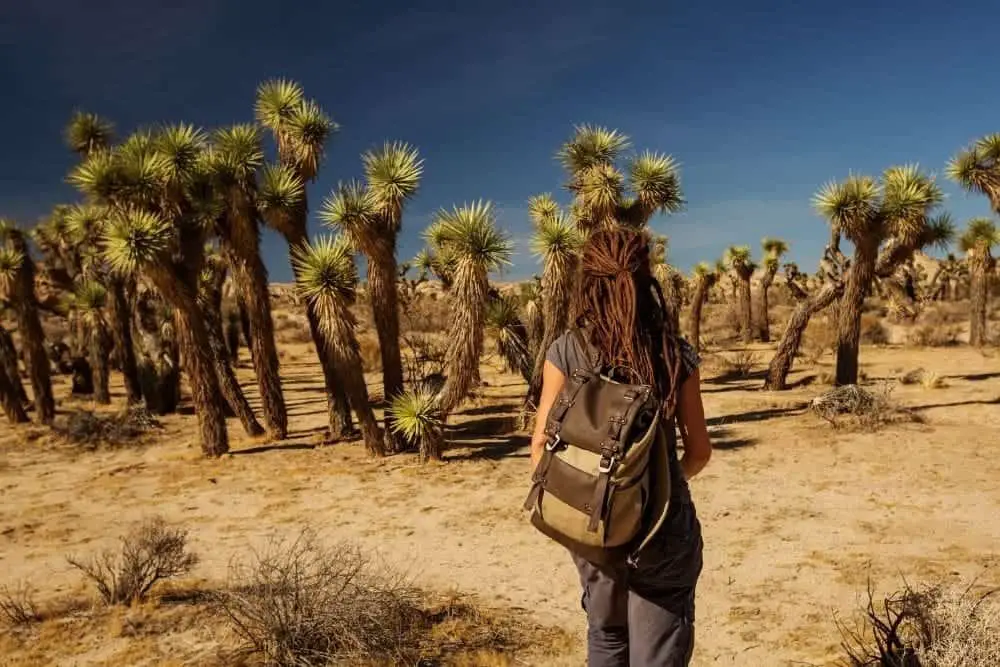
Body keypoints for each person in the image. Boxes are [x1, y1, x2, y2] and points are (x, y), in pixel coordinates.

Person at [530, 227, 713, 666]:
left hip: (591, 525)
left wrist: (606, 495)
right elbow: (700, 452)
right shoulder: (673, 352)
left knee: (607, 635)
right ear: (645, 277)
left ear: (587, 281)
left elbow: (539, 447)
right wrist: (649, 486)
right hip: (662, 532)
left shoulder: (566, 349)